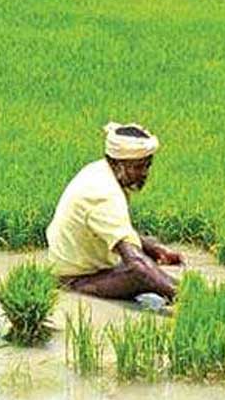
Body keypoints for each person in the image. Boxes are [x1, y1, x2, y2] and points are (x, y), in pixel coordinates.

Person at [46, 122, 184, 305]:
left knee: (147, 266)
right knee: (141, 274)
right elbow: (138, 266)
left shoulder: (100, 170)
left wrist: (154, 249)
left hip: (82, 268)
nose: (144, 174)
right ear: (116, 163)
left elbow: (117, 229)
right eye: (137, 167)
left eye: (147, 166)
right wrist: (189, 297)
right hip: (75, 280)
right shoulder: (104, 194)